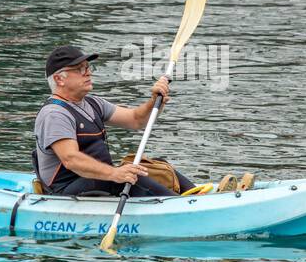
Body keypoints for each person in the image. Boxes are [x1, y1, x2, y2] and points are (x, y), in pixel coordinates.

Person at [33, 45, 214, 197]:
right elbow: (71, 159)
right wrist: (115, 173)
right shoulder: (55, 114)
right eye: (80, 69)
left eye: (88, 67)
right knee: (134, 177)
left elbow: (136, 120)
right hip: (66, 191)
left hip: (95, 180)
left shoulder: (93, 103)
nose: (88, 72)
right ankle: (182, 207)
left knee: (155, 165)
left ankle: (198, 196)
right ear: (59, 79)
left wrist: (154, 101)